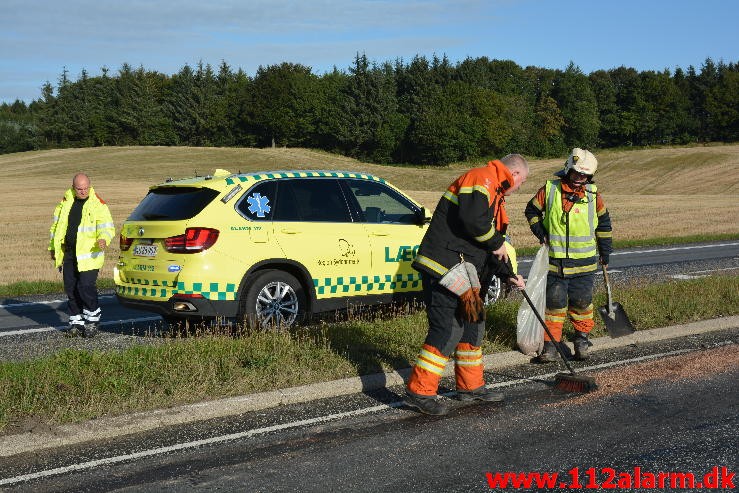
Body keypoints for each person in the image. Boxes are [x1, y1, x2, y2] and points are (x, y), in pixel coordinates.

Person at [405, 154, 529, 415]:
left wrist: (509, 275)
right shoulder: (481, 178)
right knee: (448, 329)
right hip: (445, 270)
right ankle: (419, 392)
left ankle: (470, 387)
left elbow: (491, 249)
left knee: (473, 327)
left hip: (467, 278)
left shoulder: (496, 197)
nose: (520, 188)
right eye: (522, 182)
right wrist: (496, 243)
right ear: (515, 175)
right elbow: (474, 223)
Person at [524, 148, 612, 362]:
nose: (580, 179)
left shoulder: (594, 196)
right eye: (576, 174)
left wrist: (605, 251)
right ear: (567, 170)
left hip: (585, 266)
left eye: (584, 176)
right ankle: (551, 348)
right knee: (554, 306)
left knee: (582, 305)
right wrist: (540, 232)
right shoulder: (550, 190)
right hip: (556, 264)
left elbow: (604, 225)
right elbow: (531, 211)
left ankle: (581, 342)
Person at [49, 173, 115, 337]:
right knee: (71, 289)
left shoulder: (97, 204)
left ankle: (92, 320)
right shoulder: (65, 202)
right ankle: (76, 323)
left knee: (85, 287)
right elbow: (56, 228)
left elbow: (107, 227)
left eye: (86, 188)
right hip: (69, 253)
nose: (83, 192)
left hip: (89, 255)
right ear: (73, 187)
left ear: (90, 186)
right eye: (80, 189)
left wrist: (103, 239)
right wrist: (53, 247)